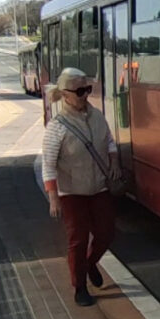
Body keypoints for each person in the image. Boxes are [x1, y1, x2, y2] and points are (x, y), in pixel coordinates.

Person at [41, 68, 119, 306]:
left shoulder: (96, 116)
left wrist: (114, 161)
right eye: (79, 91)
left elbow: (108, 140)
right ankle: (80, 287)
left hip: (98, 187)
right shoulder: (57, 127)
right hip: (72, 192)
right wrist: (53, 197)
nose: (85, 95)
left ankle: (89, 262)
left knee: (106, 233)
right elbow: (48, 164)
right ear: (65, 94)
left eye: (88, 89)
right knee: (78, 239)